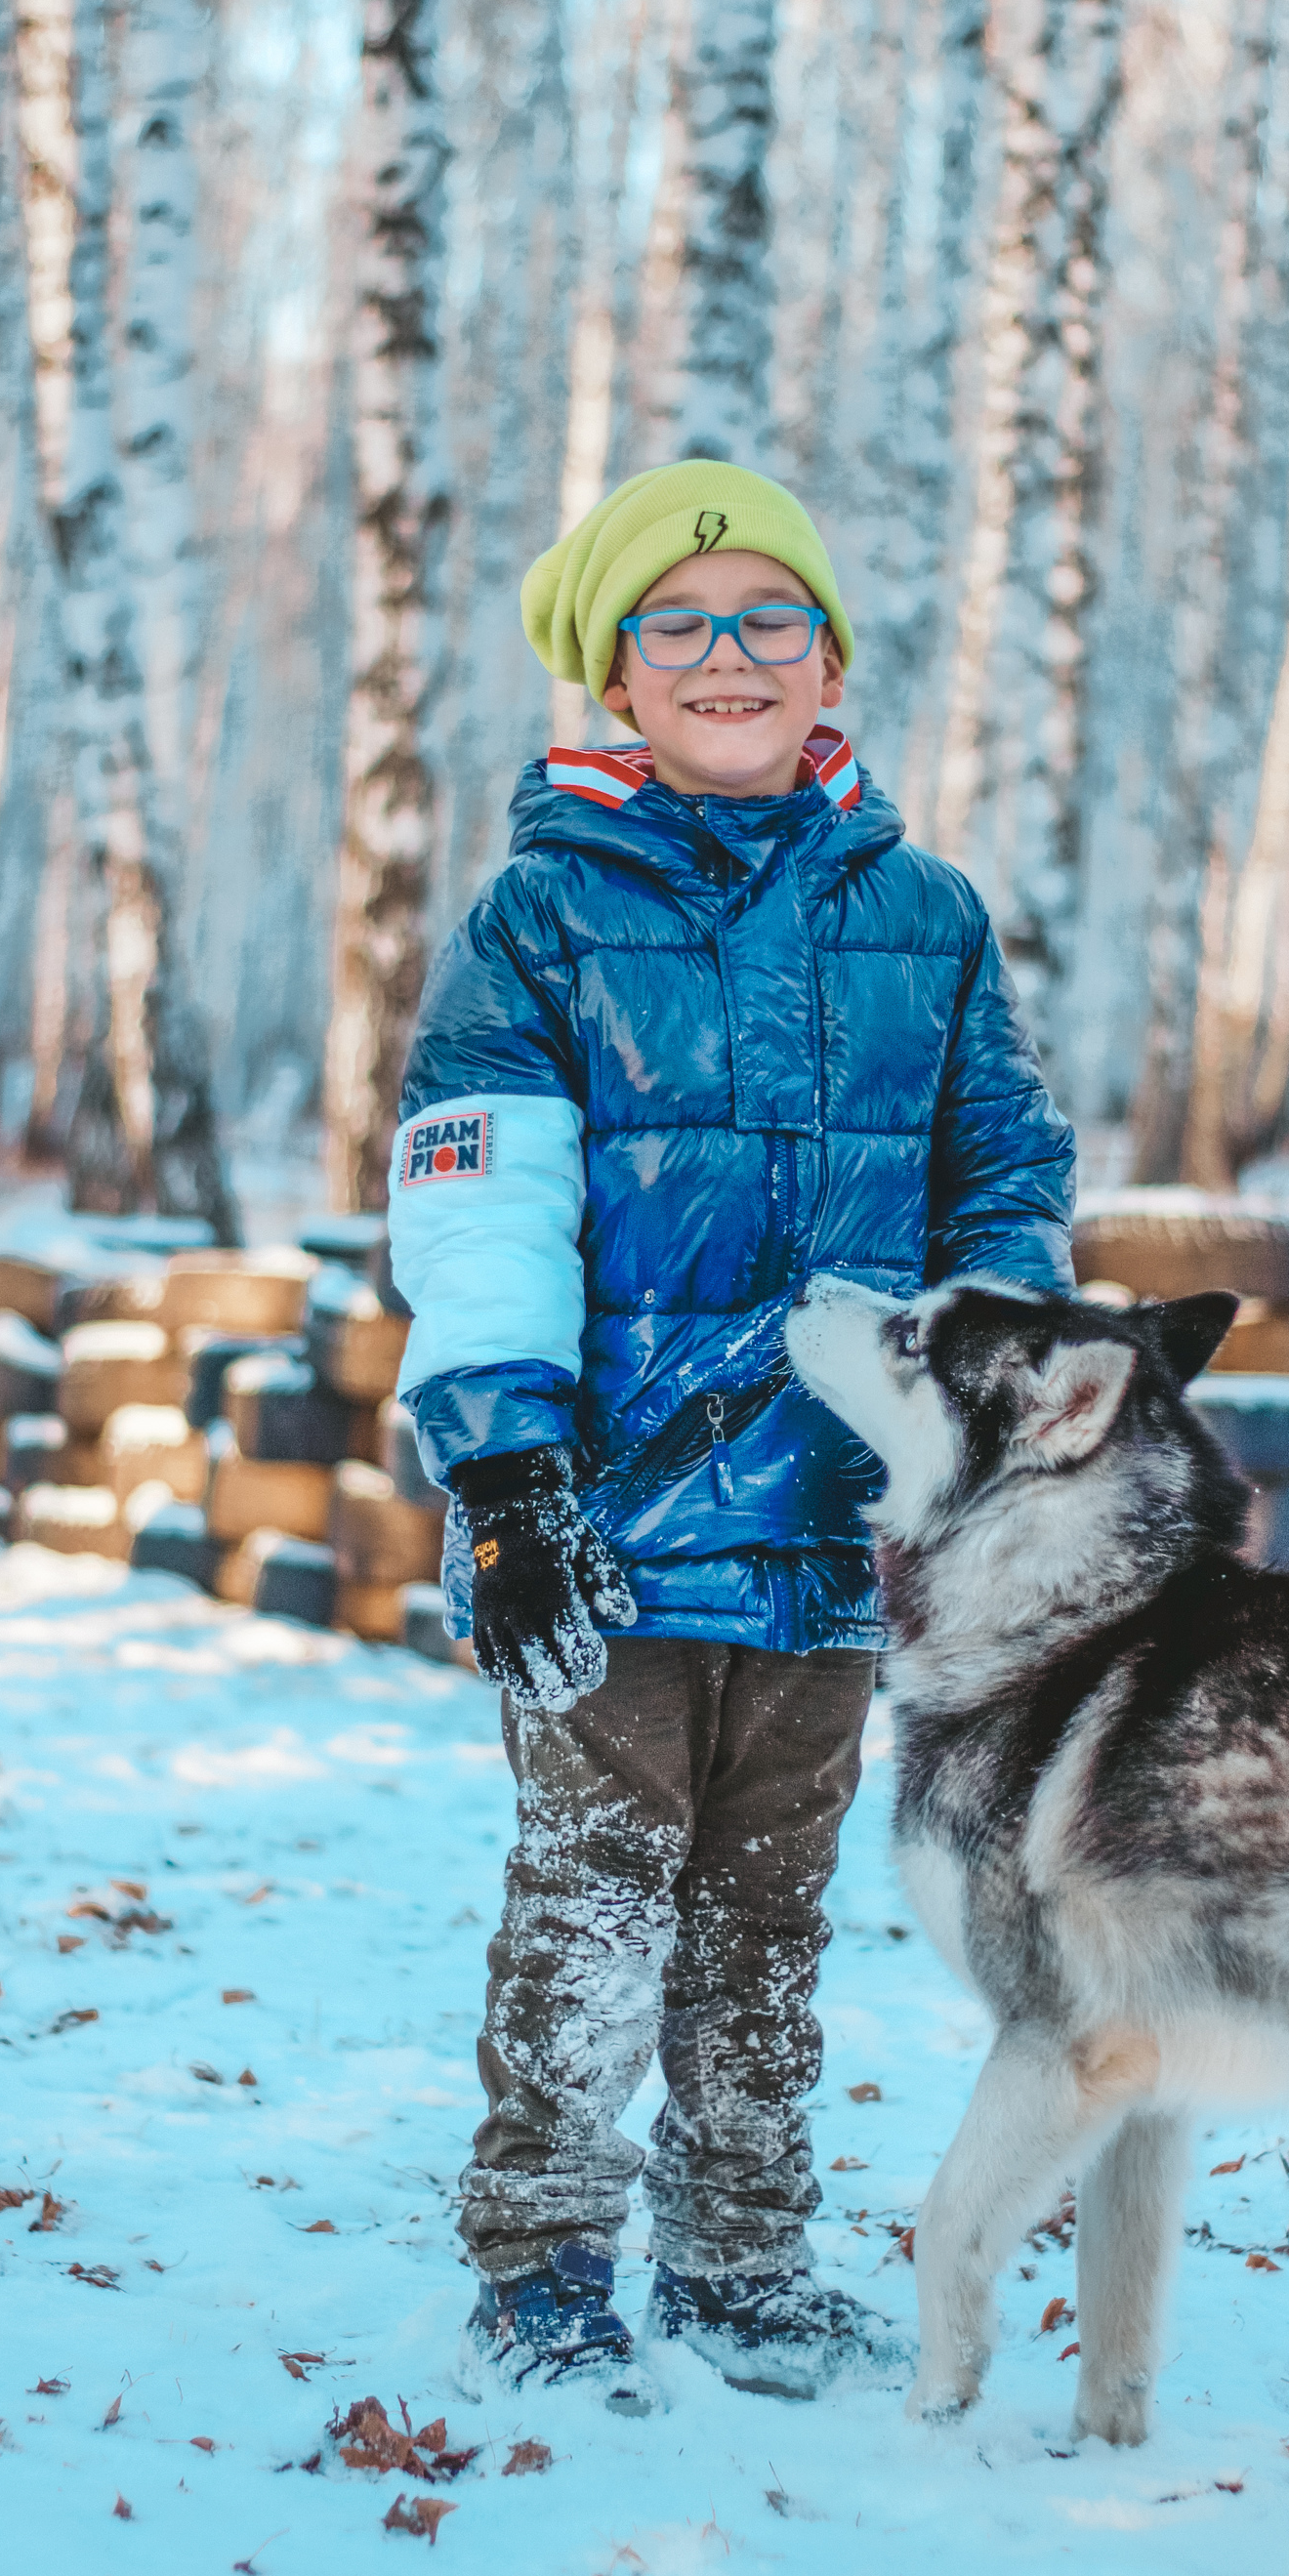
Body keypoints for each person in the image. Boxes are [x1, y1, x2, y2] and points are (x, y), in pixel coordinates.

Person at [387, 459, 1076, 2405]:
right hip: (599, 1508)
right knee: (597, 1890)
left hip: (845, 1513)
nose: (725, 653)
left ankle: (742, 2252)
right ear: (613, 672)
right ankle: (541, 2254)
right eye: (677, 624)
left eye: (770, 617)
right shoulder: (538, 918)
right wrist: (505, 1469)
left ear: (829, 658)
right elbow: (482, 1203)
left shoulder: (923, 917)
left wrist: (993, 1379)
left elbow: (1002, 1166)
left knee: (770, 1905)